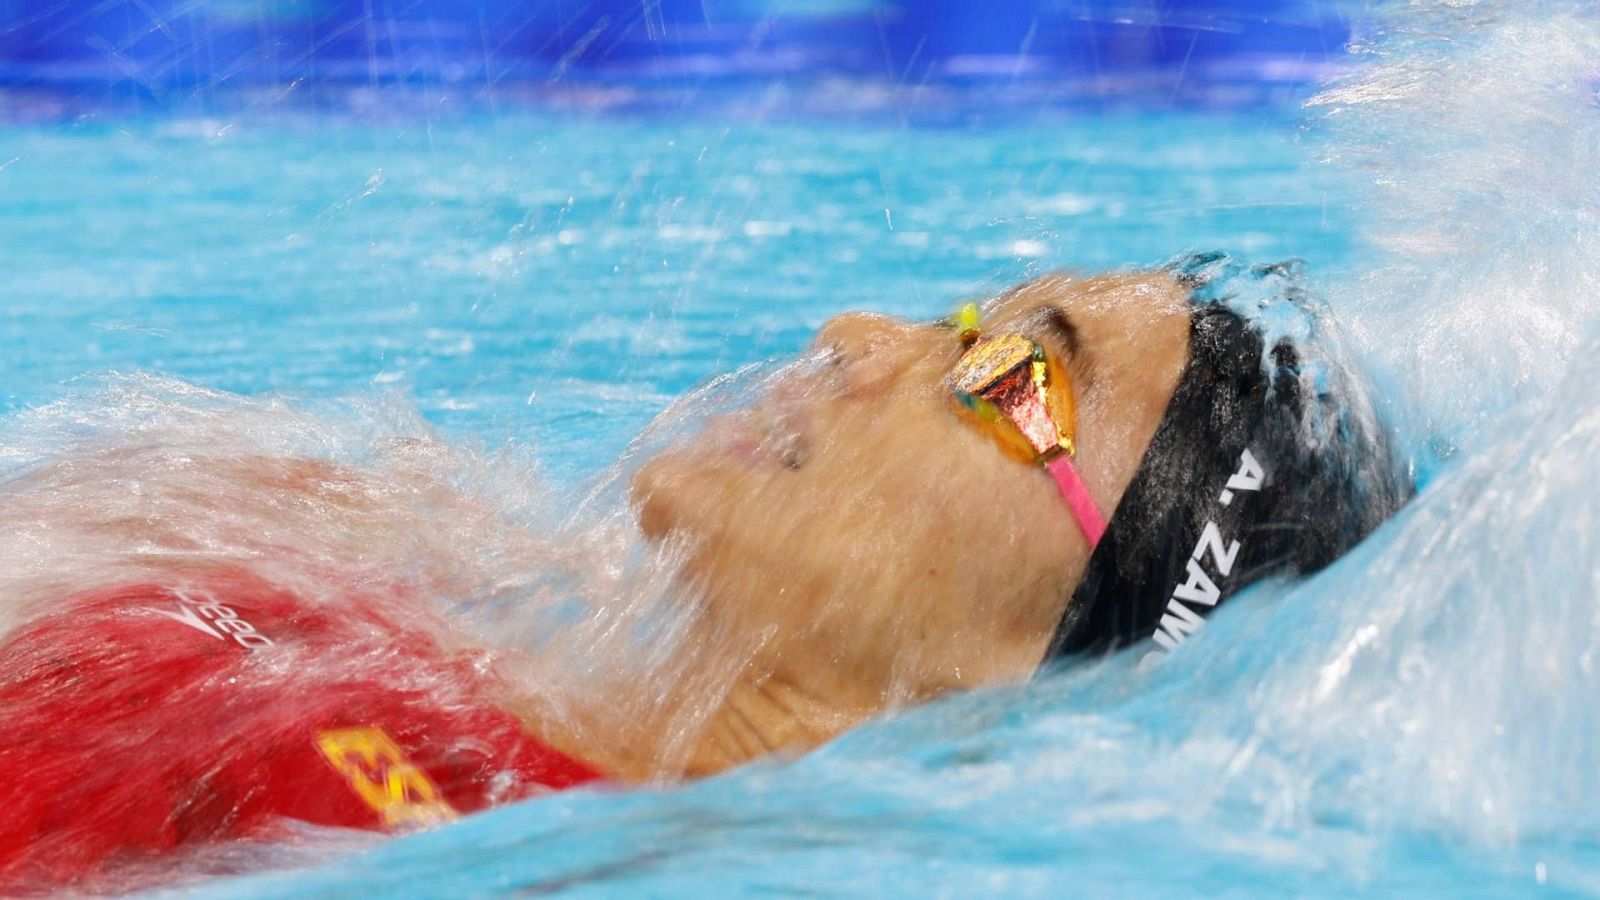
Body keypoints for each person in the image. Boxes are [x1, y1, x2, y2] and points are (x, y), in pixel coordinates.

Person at [0, 253, 1410, 890]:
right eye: (960, 322)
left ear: (1035, 675)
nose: (857, 335)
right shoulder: (444, 561)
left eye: (1009, 376)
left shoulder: (419, 840)